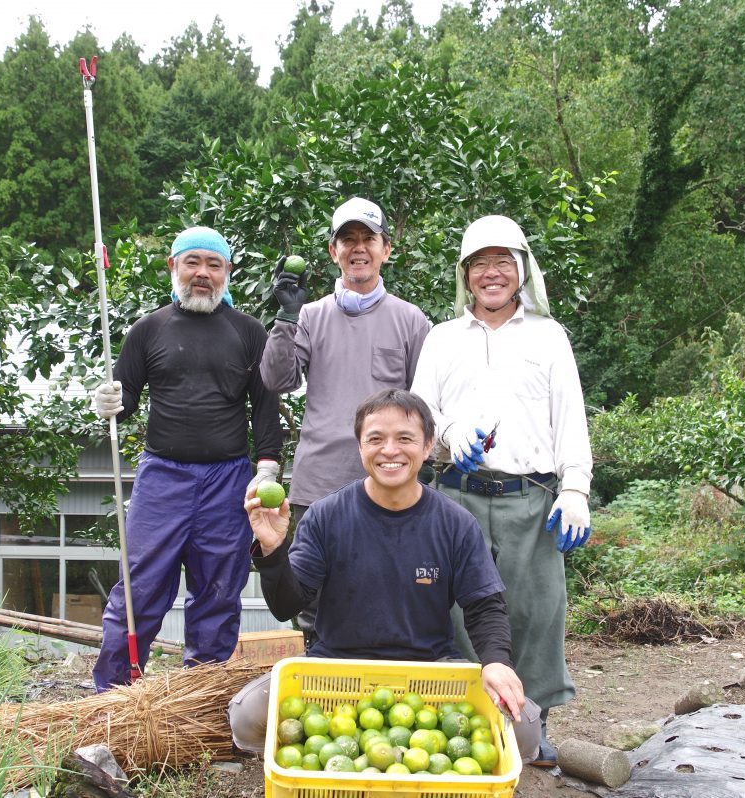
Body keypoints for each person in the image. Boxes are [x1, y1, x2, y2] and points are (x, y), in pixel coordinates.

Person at [227, 389, 543, 762]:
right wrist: (272, 549)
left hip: (431, 672)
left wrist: (496, 662)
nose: (389, 450)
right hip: (336, 668)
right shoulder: (326, 516)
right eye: (375, 439)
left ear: (427, 447)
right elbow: (287, 605)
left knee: (525, 728)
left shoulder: (455, 523)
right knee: (247, 716)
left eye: (405, 438)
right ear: (360, 447)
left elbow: (484, 605)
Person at [410, 214, 594, 766]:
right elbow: (420, 412)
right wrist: (448, 433)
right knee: (457, 611)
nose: (492, 274)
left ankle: (530, 724)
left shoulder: (548, 335)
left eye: (503, 262)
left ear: (521, 270)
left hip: (531, 495)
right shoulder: (441, 339)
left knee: (537, 608)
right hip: (457, 495)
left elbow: (571, 418)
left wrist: (576, 489)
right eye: (480, 265)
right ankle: (462, 721)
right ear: (465, 276)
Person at [90, 226, 284, 690]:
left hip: (229, 479)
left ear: (227, 273)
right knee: (140, 589)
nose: (203, 273)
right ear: (173, 267)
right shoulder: (148, 329)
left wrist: (268, 468)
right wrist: (108, 400)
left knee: (219, 591)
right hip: (162, 476)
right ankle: (113, 693)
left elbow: (266, 405)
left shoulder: (249, 332)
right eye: (193, 262)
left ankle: (201, 698)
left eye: (213, 265)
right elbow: (127, 398)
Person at [261, 197, 430, 645]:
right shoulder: (311, 315)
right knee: (312, 602)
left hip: (391, 485)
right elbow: (277, 379)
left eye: (367, 239)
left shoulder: (411, 320)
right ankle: (320, 686)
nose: (358, 248)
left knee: (390, 595)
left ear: (386, 249)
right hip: (318, 485)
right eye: (347, 239)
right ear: (333, 251)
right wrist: (285, 315)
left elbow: (427, 405)